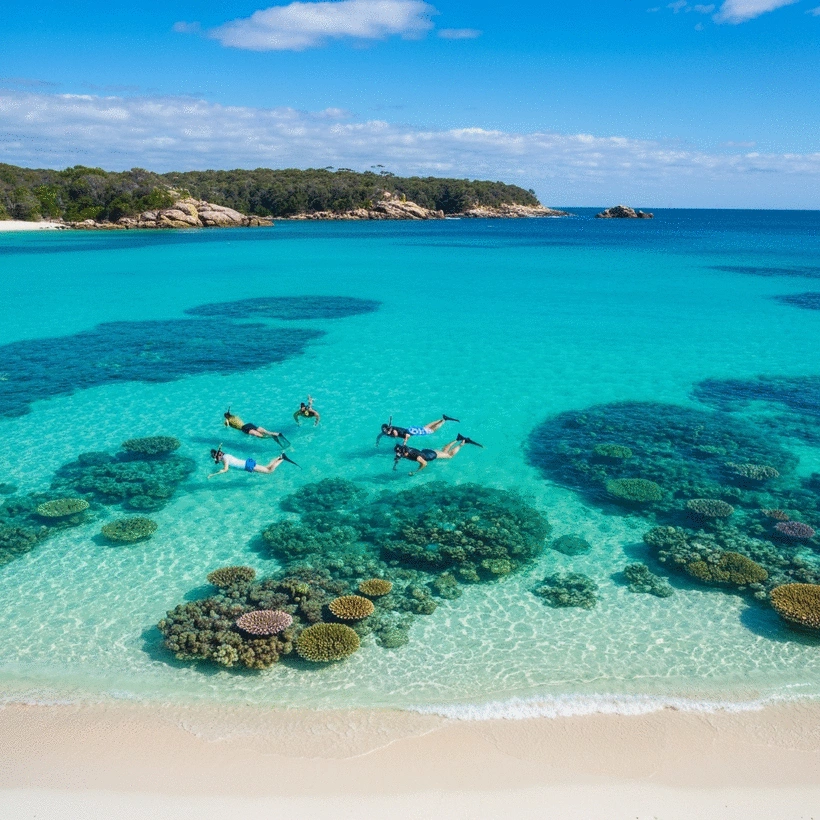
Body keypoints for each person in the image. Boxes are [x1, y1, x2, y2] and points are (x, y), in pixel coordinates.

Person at [393, 433, 482, 475]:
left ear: (405, 452)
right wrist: (396, 463)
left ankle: (462, 443)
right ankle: (457, 438)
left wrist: (416, 472)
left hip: (430, 455)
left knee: (449, 455)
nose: (400, 455)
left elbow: (424, 463)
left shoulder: (416, 457)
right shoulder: (404, 448)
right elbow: (402, 446)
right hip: (426, 451)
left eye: (401, 454)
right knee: (444, 450)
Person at [208, 446, 298, 479]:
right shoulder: (225, 456)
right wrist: (217, 461)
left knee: (269, 471)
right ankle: (280, 456)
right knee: (267, 467)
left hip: (247, 465)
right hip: (247, 464)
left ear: (217, 456)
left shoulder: (225, 459)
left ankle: (282, 458)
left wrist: (218, 472)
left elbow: (226, 469)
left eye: (215, 458)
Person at [376, 414, 459, 446]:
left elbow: (407, 436)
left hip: (409, 432)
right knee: (425, 427)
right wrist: (377, 442)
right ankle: (441, 419)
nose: (394, 435)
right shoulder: (386, 431)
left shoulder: (395, 432)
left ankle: (444, 420)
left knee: (431, 431)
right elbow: (379, 435)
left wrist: (404, 443)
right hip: (410, 429)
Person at [224, 410, 289, 446]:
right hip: (248, 424)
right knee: (265, 432)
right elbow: (230, 415)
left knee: (260, 436)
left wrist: (226, 421)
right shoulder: (235, 416)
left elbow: (227, 425)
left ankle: (272, 436)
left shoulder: (228, 420)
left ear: (226, 417)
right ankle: (276, 434)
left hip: (243, 428)